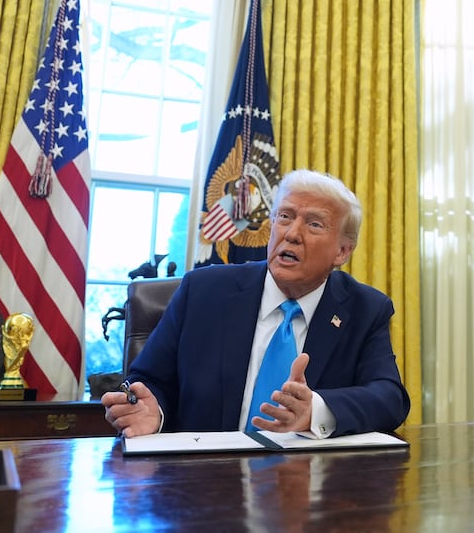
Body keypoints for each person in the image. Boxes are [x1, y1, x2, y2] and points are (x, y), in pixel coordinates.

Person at [102, 169, 410, 438]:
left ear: (342, 252)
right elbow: (148, 380)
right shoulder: (203, 292)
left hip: (306, 478)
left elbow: (389, 398)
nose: (292, 234)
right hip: (204, 476)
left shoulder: (365, 309)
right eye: (284, 216)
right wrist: (152, 412)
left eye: (314, 224)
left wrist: (316, 410)